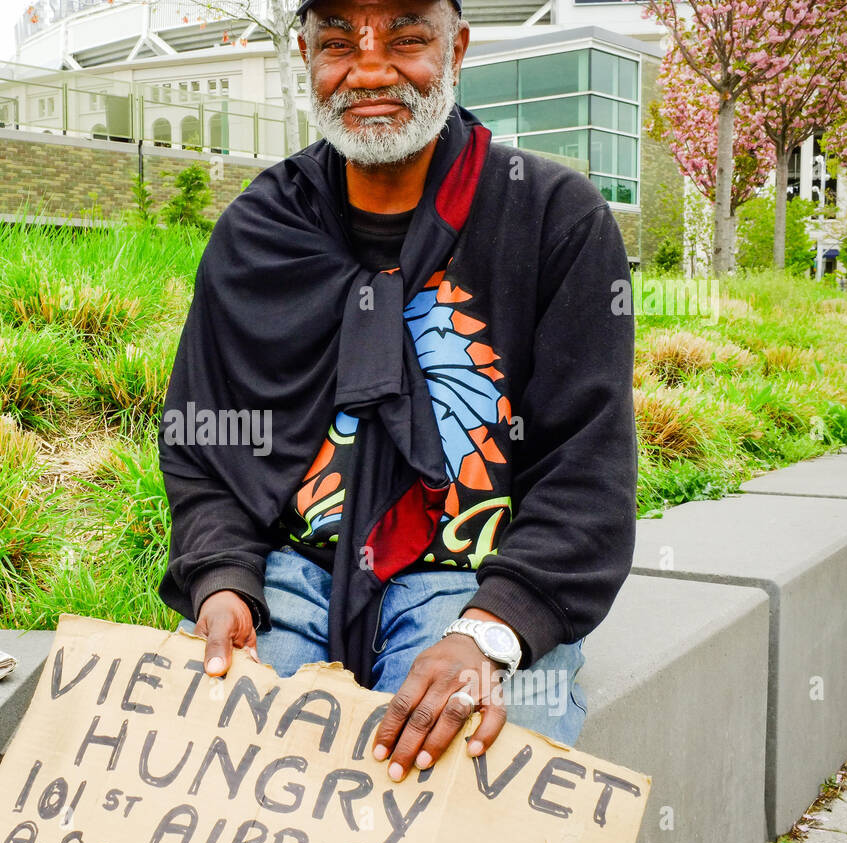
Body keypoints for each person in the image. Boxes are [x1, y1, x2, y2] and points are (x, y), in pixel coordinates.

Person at [157, 0, 637, 782]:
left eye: (408, 39)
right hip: (288, 573)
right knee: (223, 770)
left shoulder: (554, 220)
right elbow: (206, 450)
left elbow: (587, 475)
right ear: (306, 53)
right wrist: (221, 581)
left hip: (480, 581)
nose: (371, 70)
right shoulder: (256, 231)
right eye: (340, 42)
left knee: (468, 782)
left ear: (457, 50)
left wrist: (491, 631)